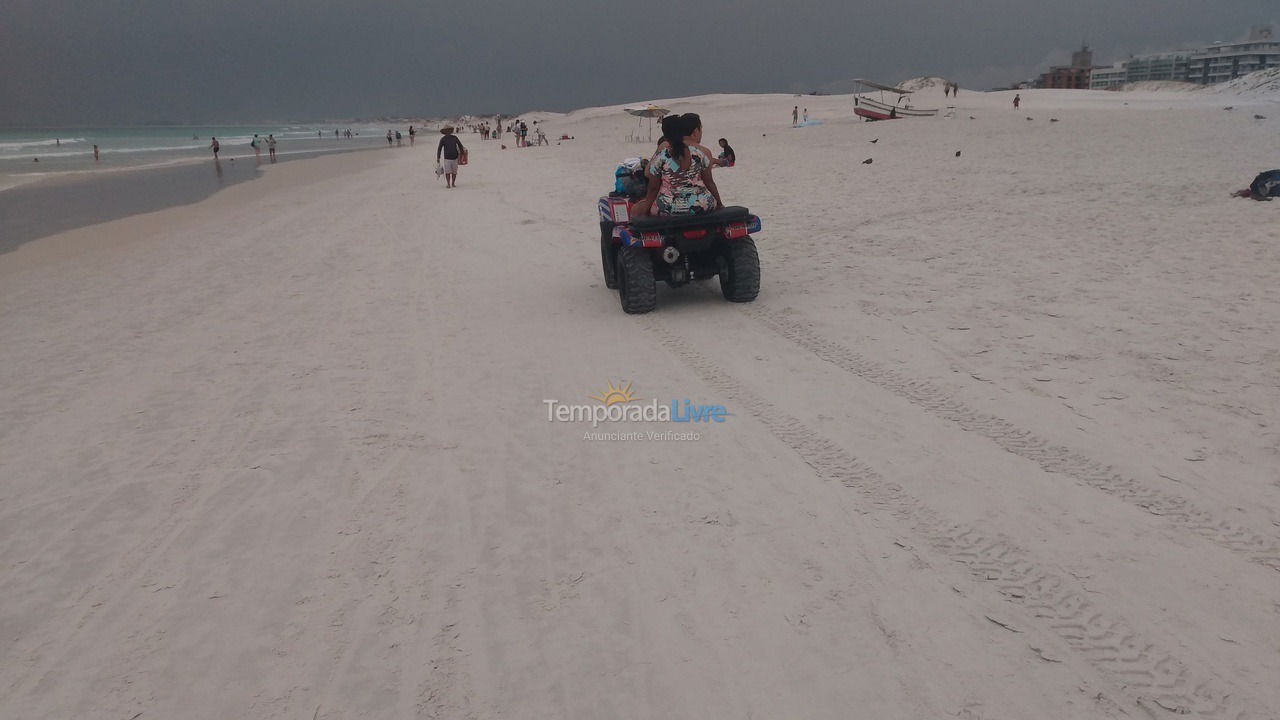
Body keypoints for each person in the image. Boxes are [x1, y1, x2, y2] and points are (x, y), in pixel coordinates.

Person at [632, 113, 722, 217]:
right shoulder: (699, 154)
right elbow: (709, 182)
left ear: (665, 137)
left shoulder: (662, 156)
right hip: (702, 205)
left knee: (638, 209)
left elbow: (653, 188)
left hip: (670, 207)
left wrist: (646, 210)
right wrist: (719, 203)